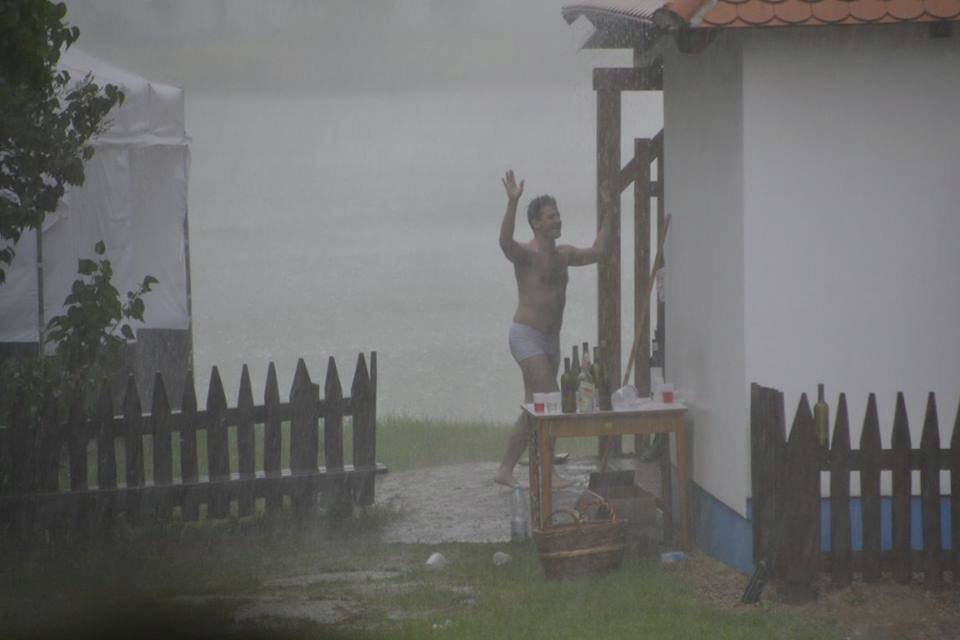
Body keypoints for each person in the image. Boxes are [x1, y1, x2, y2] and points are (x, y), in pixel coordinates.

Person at [494, 170, 617, 488]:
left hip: (551, 340)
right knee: (550, 400)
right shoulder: (527, 255)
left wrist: (610, 212)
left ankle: (505, 470)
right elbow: (505, 243)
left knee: (533, 407)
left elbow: (600, 252)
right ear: (536, 223)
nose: (558, 220)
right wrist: (512, 203)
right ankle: (546, 472)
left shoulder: (563, 256)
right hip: (525, 335)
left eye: (558, 215)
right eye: (551, 216)